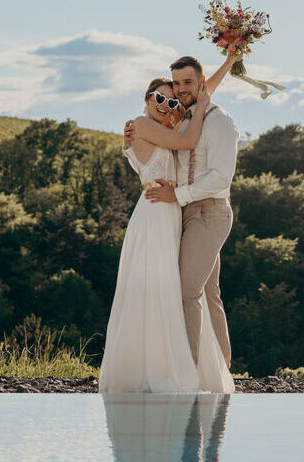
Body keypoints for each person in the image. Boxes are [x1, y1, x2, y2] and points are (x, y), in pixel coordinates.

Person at [99, 54, 237, 393]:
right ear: (147, 100)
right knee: (174, 292)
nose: (167, 101)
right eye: (159, 97)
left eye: (171, 97)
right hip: (160, 211)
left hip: (181, 210)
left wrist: (231, 59)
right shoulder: (145, 126)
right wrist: (200, 101)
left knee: (201, 291)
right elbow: (193, 126)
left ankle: (217, 369)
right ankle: (178, 369)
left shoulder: (172, 123)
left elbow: (201, 93)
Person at [133, 51, 241, 371]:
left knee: (185, 292)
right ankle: (222, 368)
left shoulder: (220, 121)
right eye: (176, 83)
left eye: (187, 82)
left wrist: (176, 195)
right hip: (185, 213)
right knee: (208, 292)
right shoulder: (184, 120)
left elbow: (221, 177)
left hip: (209, 213)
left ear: (201, 83)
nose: (181, 89)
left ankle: (188, 371)